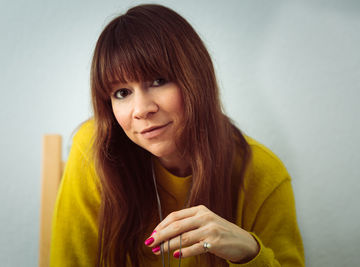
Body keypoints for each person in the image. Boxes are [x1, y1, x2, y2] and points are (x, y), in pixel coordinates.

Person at [50, 4, 304, 267]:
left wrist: (250, 253)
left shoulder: (263, 174)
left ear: (196, 79)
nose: (141, 110)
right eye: (122, 93)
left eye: (158, 81)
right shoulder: (95, 148)